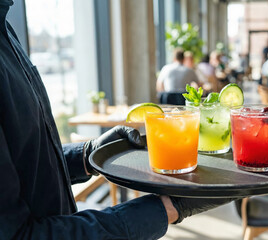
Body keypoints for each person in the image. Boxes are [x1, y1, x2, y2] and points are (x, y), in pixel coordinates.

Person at [0, 2, 232, 239]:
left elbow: (26, 163)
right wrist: (168, 208)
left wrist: (87, 154)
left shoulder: (6, 30)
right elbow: (17, 235)